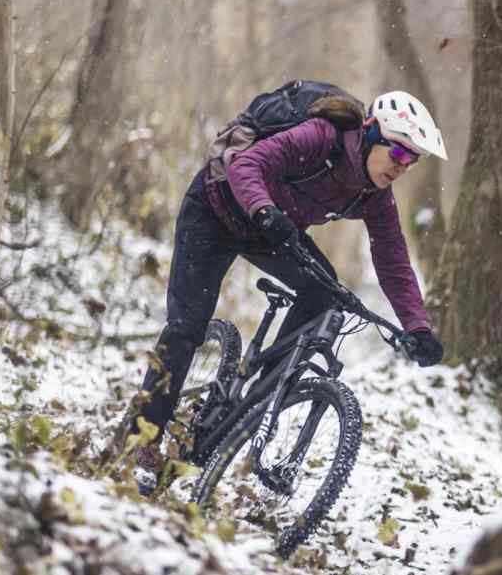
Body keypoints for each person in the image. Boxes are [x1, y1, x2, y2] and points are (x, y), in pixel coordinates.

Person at [133, 89, 447, 480]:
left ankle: (258, 401)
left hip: (272, 231)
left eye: (412, 161)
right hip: (216, 211)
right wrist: (264, 210)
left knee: (325, 292)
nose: (402, 166)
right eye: (399, 152)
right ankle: (141, 438)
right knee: (186, 327)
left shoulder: (375, 196)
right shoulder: (320, 137)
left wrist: (417, 327)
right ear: (370, 134)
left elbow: (393, 259)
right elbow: (246, 165)